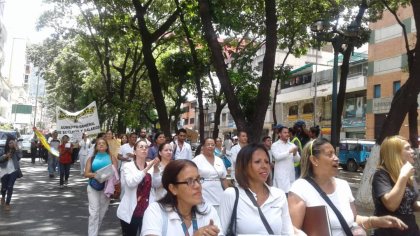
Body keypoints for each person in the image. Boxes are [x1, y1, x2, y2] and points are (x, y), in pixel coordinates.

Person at [288, 138, 408, 236]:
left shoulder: (343, 185)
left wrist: (376, 221)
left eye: (335, 153)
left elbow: (353, 220)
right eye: (330, 154)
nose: (336, 158)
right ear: (314, 160)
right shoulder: (300, 188)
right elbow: (292, 229)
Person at [219, 143, 295, 235]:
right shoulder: (232, 195)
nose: (264, 166)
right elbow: (220, 232)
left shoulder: (279, 195)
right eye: (257, 162)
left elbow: (287, 232)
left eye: (267, 162)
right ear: (244, 166)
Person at [141, 159, 222, 236]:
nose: (198, 186)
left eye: (198, 179)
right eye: (189, 181)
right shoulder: (156, 211)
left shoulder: (208, 210)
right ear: (173, 188)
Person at [372, 136, 420, 235]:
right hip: (389, 232)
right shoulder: (381, 174)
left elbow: (409, 204)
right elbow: (391, 205)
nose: (412, 151)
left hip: (411, 230)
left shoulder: (408, 175)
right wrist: (403, 176)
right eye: (407, 148)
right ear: (395, 153)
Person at [117, 140, 160, 235]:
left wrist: (156, 168)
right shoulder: (128, 166)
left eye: (146, 147)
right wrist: (147, 169)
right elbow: (131, 183)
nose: (144, 149)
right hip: (131, 210)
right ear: (135, 152)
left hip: (147, 209)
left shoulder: (151, 166)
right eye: (141, 147)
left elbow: (156, 185)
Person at [84, 138, 118, 236]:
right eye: (99, 143)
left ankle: (95, 232)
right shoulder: (91, 158)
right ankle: (92, 234)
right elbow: (86, 174)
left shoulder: (112, 158)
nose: (101, 145)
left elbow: (115, 174)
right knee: (94, 212)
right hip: (93, 186)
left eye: (103, 143)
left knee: (101, 213)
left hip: (107, 187)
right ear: (96, 147)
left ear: (107, 146)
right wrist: (97, 175)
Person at [192, 138, 229, 211]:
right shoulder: (197, 160)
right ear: (203, 146)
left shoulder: (219, 160)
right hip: (203, 192)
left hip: (218, 193)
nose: (210, 146)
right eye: (208, 144)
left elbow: (223, 179)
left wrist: (228, 192)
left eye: (212, 145)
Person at [271, 126, 300, 193]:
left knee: (290, 194)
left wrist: (295, 153)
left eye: (288, 132)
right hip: (280, 175)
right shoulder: (275, 145)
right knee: (281, 194)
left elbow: (297, 160)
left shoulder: (292, 145)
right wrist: (289, 152)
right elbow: (277, 157)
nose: (287, 134)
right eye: (285, 132)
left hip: (290, 174)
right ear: (279, 134)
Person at [0, 137, 22, 211]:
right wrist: (5, 156)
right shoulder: (3, 150)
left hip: (13, 171)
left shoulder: (16, 150)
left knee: (10, 186)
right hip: (4, 171)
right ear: (7, 143)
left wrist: (17, 148)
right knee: (4, 187)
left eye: (12, 142)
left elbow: (20, 157)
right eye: (10, 143)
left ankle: (7, 203)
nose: (11, 144)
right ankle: (3, 196)